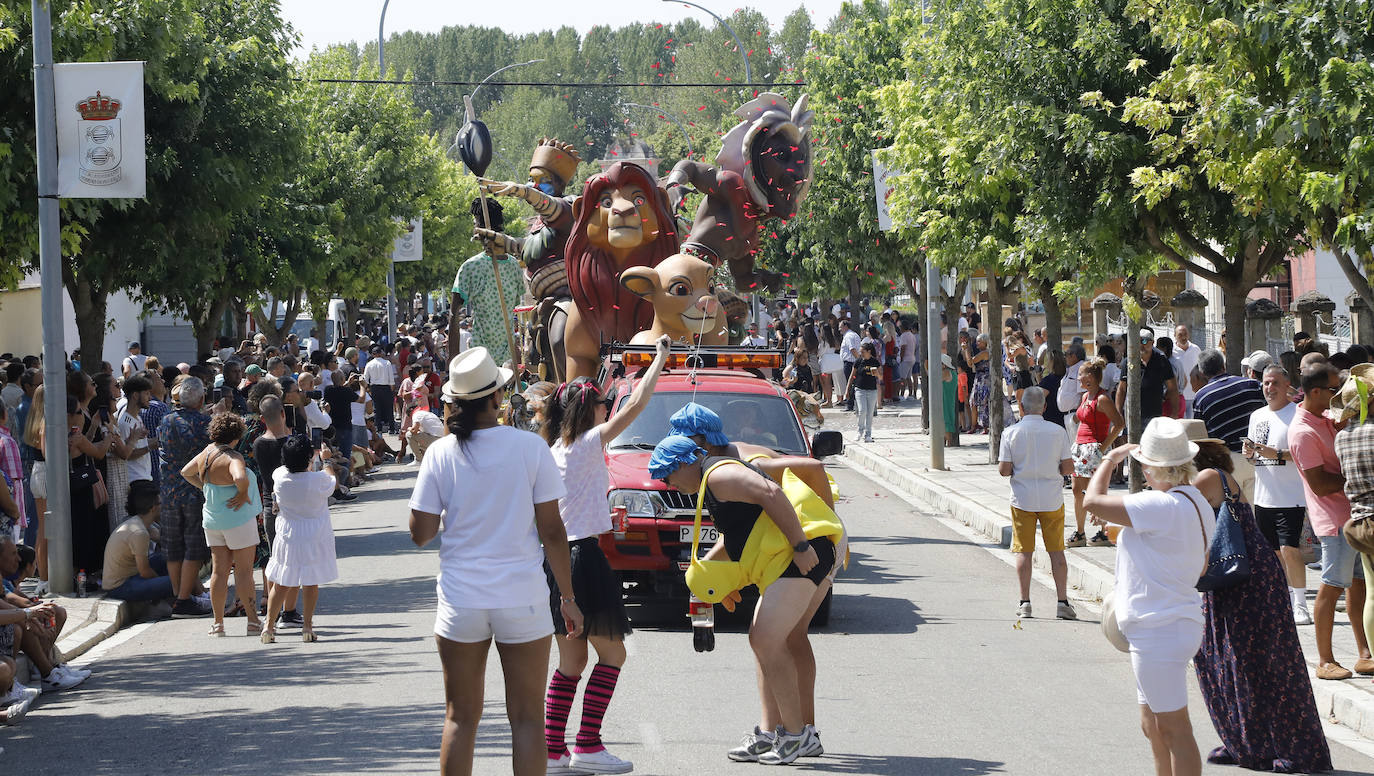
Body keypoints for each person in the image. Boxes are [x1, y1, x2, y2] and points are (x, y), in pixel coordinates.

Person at [408, 347, 583, 776]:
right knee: (526, 719)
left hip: (461, 599)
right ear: (498, 396)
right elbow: (553, 532)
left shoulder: (441, 453)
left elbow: (420, 534)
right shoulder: (529, 447)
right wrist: (568, 595)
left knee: (459, 718)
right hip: (521, 596)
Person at [649, 434, 839, 765]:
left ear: (683, 464)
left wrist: (799, 545)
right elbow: (736, 537)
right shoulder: (711, 481)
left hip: (802, 555)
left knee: (766, 638)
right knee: (766, 641)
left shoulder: (718, 475)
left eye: (667, 476)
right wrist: (709, 578)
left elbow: (771, 493)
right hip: (785, 559)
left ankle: (796, 736)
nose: (668, 484)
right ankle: (776, 734)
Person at [540, 336, 669, 775]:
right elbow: (634, 407)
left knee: (571, 662)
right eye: (600, 403)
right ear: (587, 409)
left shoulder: (554, 451)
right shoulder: (587, 443)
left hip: (556, 565)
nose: (605, 408)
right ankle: (588, 744)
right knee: (613, 656)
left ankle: (553, 752)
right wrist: (659, 362)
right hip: (583, 559)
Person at [1181, 420, 1333, 772]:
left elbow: (1177, 516)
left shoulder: (1206, 478)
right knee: (1237, 659)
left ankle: (1279, 745)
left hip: (1244, 580)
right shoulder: (1214, 477)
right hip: (1237, 578)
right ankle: (1248, 742)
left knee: (1256, 661)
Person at [1082, 418, 1213, 776]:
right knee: (1152, 724)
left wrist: (1109, 460)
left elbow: (1091, 501)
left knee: (1173, 728)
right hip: (1168, 623)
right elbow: (1195, 564)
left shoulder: (1158, 504)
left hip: (1160, 628)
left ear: (1150, 466)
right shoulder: (1194, 501)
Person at [1290, 362, 1372, 679]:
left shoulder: (1324, 420)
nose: (1338, 395)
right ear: (1315, 392)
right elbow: (1320, 484)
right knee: (1332, 586)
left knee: (1359, 585)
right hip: (1334, 520)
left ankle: (1364, 654)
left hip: (1352, 514)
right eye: (1333, 389)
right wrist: (1357, 476)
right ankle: (1325, 660)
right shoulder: (1302, 431)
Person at [180, 413, 265, 638]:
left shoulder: (207, 452)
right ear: (237, 436)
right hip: (238, 519)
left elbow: (186, 472)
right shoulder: (233, 456)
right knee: (245, 572)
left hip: (213, 519)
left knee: (219, 572)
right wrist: (242, 493)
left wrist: (205, 488)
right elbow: (240, 478)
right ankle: (253, 621)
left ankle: (218, 624)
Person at [998, 387, 1075, 619]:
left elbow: (1004, 470)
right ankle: (1062, 602)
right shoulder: (1057, 431)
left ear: (1021, 406)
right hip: (1052, 498)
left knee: (1024, 551)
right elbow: (1068, 467)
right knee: (1057, 552)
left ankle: (1025, 602)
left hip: (1022, 499)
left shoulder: (1010, 433)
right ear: (1044, 407)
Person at [1244, 365, 1313, 625]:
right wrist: (1250, 454)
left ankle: (1301, 604)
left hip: (1291, 496)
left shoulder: (1297, 414)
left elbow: (1304, 455)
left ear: (1287, 387)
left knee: (1289, 549)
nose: (1269, 388)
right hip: (1264, 497)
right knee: (1272, 553)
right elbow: (1254, 457)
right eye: (1265, 383)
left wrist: (1277, 454)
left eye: (1274, 383)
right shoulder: (1257, 416)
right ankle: (1279, 599)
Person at [262, 435, 338, 644]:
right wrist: (327, 460)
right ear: (308, 458)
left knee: (282, 581)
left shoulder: (279, 476)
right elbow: (332, 481)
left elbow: (291, 470)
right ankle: (307, 626)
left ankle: (268, 627)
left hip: (288, 533)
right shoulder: (319, 480)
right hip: (314, 533)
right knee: (310, 581)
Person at [1192, 348, 1265, 502]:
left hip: (1229, 461)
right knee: (1257, 512)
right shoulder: (1252, 384)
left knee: (1237, 513)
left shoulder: (1201, 397)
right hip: (1259, 457)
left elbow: (1202, 435)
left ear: (1202, 373)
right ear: (1223, 366)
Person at [1069, 358, 1124, 548]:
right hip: (1080, 447)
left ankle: (1102, 532)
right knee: (1077, 490)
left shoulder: (1102, 398)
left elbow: (1119, 424)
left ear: (1090, 377)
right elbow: (1079, 418)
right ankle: (1081, 531)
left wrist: (1102, 448)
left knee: (1095, 491)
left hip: (1093, 448)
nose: (1078, 379)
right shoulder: (1086, 397)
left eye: (1080, 375)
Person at [102, 480, 175, 601]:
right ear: (153, 508)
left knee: (169, 558)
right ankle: (187, 602)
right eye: (161, 503)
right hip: (120, 587)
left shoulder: (139, 523)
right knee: (178, 581)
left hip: (132, 576)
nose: (164, 506)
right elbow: (145, 572)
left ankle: (194, 596)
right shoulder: (139, 532)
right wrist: (159, 584)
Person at [363, 344, 398, 434]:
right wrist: (392, 389)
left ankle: (378, 428)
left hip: (374, 387)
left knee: (377, 408)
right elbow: (391, 379)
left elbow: (366, 379)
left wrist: (367, 389)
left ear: (373, 354)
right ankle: (392, 428)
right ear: (380, 353)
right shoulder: (387, 363)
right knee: (389, 408)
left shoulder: (369, 364)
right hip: (386, 387)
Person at [853, 342, 882, 444]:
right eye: (860, 351)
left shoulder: (875, 362)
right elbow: (852, 375)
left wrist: (877, 373)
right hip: (860, 389)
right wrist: (847, 389)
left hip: (872, 390)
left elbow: (881, 377)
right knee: (862, 411)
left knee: (870, 413)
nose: (861, 353)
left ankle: (868, 434)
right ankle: (860, 430)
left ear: (869, 352)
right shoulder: (858, 361)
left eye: (863, 352)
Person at [839, 320, 861, 412]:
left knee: (850, 383)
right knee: (853, 383)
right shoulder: (854, 334)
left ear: (845, 326)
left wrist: (859, 361)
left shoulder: (848, 336)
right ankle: (853, 403)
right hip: (853, 362)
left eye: (840, 327)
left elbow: (852, 349)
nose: (839, 329)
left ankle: (850, 404)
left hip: (850, 363)